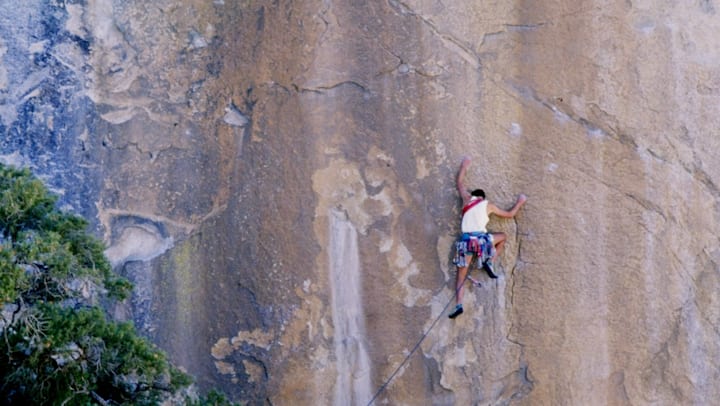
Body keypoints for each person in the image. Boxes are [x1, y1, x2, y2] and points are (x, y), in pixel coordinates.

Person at [448, 157, 527, 319]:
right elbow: (510, 214)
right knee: (502, 237)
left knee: (460, 277)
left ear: (473, 196)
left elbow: (460, 183)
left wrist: (464, 165)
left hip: (465, 242)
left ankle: (458, 305)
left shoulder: (466, 199)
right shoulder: (488, 206)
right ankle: (489, 261)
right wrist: (520, 202)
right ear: (482, 198)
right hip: (481, 241)